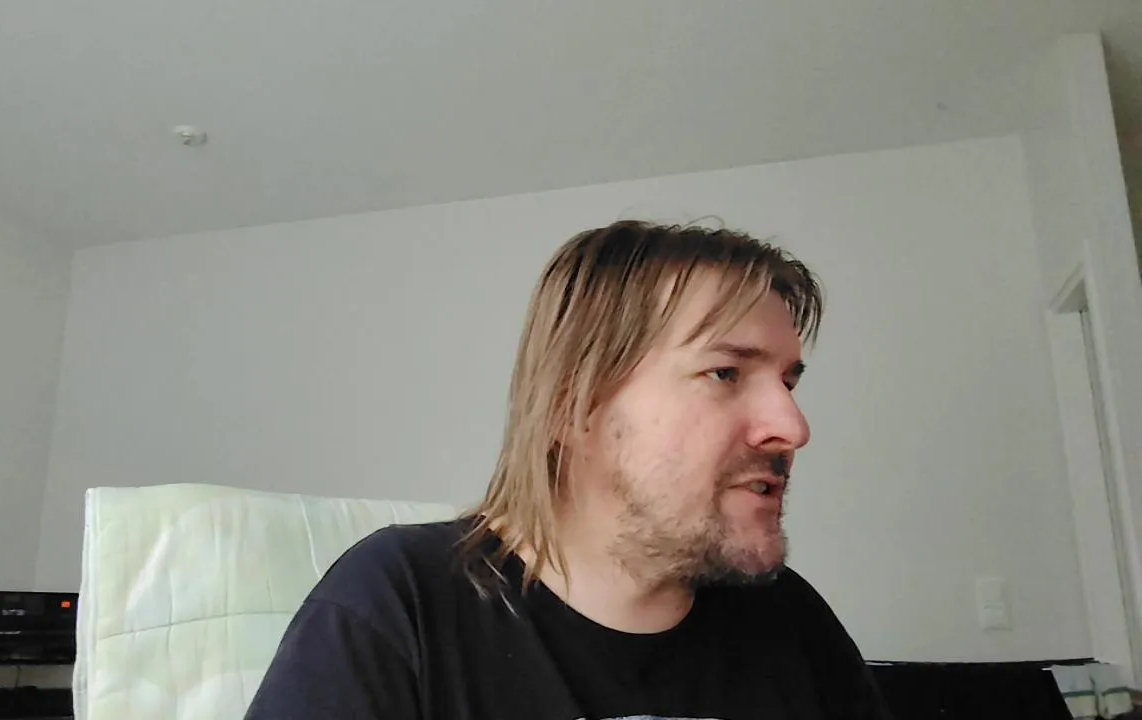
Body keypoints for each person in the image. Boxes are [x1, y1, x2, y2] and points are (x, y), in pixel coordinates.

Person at [244, 220, 890, 720]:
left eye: (787, 381)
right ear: (573, 404)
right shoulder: (398, 603)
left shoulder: (790, 621)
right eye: (725, 373)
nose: (792, 427)